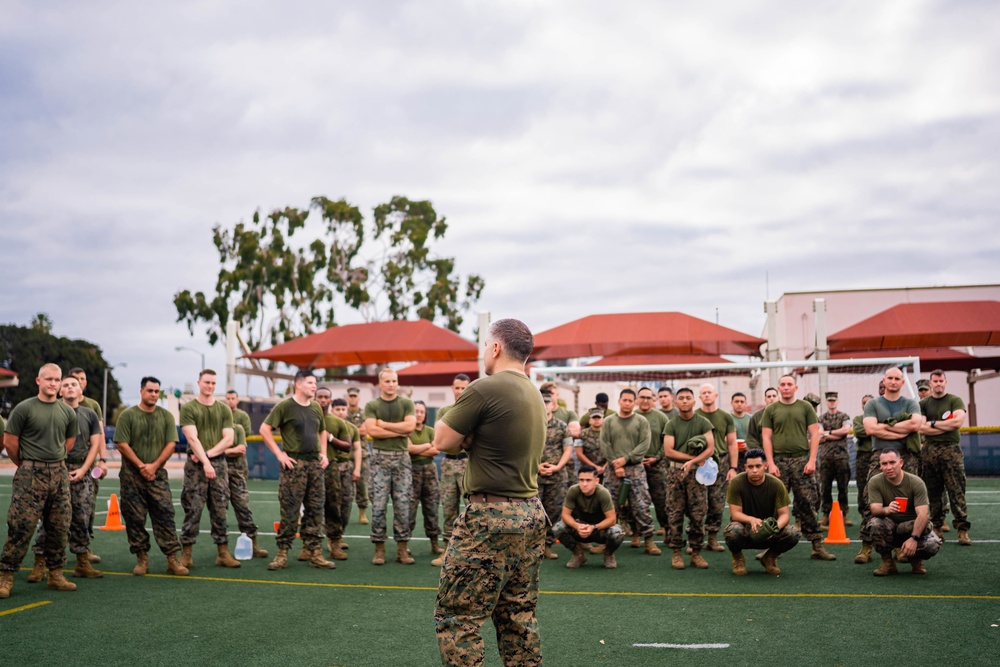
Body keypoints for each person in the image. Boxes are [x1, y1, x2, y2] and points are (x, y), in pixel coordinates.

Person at [432, 318, 547, 667]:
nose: (484, 351)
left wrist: (466, 435)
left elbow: (441, 440)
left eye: (485, 345)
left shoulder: (486, 387)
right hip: (529, 513)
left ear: (495, 348)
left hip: (490, 518)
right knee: (517, 616)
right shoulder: (533, 392)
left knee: (457, 616)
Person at [1, 363, 79, 599]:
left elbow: (70, 441)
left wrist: (53, 461)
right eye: (49, 379)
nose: (53, 384)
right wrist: (26, 465)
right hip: (30, 475)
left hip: (59, 474)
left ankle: (55, 574)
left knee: (59, 527)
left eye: (57, 380)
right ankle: (5, 575)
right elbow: (10, 442)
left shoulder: (67, 411)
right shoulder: (24, 409)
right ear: (38, 381)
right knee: (21, 526)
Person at [27, 375, 103, 581]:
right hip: (56, 468)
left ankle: (81, 561)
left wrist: (85, 469)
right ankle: (40, 563)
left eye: (74, 385)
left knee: (81, 516)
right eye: (66, 385)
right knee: (49, 518)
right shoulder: (52, 411)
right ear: (60, 391)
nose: (70, 388)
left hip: (81, 469)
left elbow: (95, 444)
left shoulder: (89, 414)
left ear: (81, 390)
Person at [259, 370, 336, 571]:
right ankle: (282, 553)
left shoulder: (317, 407)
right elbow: (264, 429)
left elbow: (322, 430)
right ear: (298, 385)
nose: (314, 386)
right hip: (294, 466)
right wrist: (280, 454)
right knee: (290, 511)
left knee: (315, 510)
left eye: (315, 382)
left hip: (315, 466)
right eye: (310, 382)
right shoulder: (285, 406)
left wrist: (324, 453)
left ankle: (315, 552)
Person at [113, 376, 189, 577]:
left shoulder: (166, 416)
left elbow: (171, 444)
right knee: (134, 517)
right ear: (141, 391)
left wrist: (154, 466)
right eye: (150, 391)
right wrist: (141, 466)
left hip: (157, 476)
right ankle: (141, 558)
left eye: (157, 391)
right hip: (132, 476)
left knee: (165, 515)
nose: (154, 394)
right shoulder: (128, 416)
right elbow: (122, 444)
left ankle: (172, 559)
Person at [761, 374, 836, 561]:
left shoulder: (806, 407)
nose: (786, 387)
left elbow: (814, 435)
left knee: (808, 504)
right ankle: (770, 547)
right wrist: (770, 463)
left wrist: (811, 461)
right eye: (783, 384)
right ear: (778, 387)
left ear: (795, 388)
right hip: (778, 462)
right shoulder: (770, 410)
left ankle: (817, 546)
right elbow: (766, 438)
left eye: (789, 384)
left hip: (801, 461)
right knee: (774, 505)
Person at [178, 369, 240, 569]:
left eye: (213, 383)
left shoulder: (223, 410)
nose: (210, 386)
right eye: (207, 382)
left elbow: (228, 439)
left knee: (220, 508)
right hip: (195, 467)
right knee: (193, 509)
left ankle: (223, 552)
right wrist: (204, 462)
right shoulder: (189, 408)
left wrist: (208, 456)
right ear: (198, 382)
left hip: (218, 464)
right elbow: (192, 438)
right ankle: (186, 553)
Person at [859, 367, 924, 554]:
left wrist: (885, 425)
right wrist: (901, 428)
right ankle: (866, 545)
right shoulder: (872, 404)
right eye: (890, 378)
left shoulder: (911, 403)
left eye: (897, 378)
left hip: (906, 455)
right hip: (879, 454)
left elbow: (916, 424)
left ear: (902, 382)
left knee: (907, 500)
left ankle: (900, 545)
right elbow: (871, 429)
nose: (893, 381)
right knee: (870, 497)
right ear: (884, 381)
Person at [364, 368, 417, 565]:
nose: (391, 384)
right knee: (378, 506)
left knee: (403, 505)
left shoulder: (406, 403)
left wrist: (383, 425)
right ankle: (379, 549)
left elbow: (410, 427)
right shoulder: (372, 405)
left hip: (401, 459)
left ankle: (402, 549)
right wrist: (399, 429)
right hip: (380, 459)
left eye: (394, 381)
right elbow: (371, 430)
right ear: (380, 383)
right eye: (387, 381)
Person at [599, 389, 661, 556]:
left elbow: (644, 445)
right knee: (609, 506)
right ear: (619, 401)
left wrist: (625, 460)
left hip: (635, 469)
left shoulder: (641, 421)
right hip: (613, 471)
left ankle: (648, 540)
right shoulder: (608, 421)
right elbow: (604, 444)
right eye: (624, 400)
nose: (627, 403)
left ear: (634, 402)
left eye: (630, 400)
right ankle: (605, 541)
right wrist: (616, 464)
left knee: (641, 506)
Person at [724, 448, 800, 576]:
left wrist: (774, 528)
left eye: (758, 466)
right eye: (750, 467)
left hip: (769, 530)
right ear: (745, 467)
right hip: (746, 528)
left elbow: (785, 514)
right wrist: (751, 520)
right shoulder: (736, 483)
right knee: (732, 531)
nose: (754, 470)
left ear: (765, 466)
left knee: (793, 533)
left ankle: (769, 557)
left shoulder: (776, 484)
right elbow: (735, 514)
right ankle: (737, 558)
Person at [662, 387, 715, 569]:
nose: (685, 401)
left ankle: (696, 552)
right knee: (675, 513)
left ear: (694, 402)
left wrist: (694, 462)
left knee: (698, 513)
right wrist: (690, 460)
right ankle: (677, 552)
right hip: (676, 473)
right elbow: (668, 451)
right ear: (676, 402)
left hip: (698, 474)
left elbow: (710, 448)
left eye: (688, 398)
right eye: (681, 398)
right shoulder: (671, 424)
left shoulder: (703, 422)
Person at [867, 449, 942, 576]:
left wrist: (913, 539)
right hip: (890, 526)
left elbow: (923, 514)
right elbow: (874, 509)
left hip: (911, 528)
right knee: (875, 524)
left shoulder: (916, 482)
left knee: (932, 544)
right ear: (880, 466)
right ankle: (888, 563)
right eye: (884, 464)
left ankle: (916, 561)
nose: (889, 467)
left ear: (900, 462)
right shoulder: (875, 481)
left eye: (892, 462)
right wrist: (886, 509)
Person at [918, 370, 971, 545]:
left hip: (951, 450)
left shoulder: (955, 400)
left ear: (946, 382)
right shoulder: (924, 403)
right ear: (931, 383)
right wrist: (944, 426)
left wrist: (932, 424)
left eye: (941, 381)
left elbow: (957, 423)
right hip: (930, 450)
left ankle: (962, 530)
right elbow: (921, 428)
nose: (938, 384)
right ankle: (937, 528)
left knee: (956, 490)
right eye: (935, 381)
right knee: (933, 491)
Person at [69, 367, 107, 563]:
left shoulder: (92, 406)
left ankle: (85, 548)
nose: (78, 382)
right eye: (74, 379)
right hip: (63, 466)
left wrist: (103, 459)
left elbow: (99, 434)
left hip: (88, 465)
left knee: (87, 508)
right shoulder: (60, 405)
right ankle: (47, 556)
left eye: (81, 379)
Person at [432, 373, 471, 567]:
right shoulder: (444, 411)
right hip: (448, 464)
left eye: (464, 388)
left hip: (468, 464)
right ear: (452, 388)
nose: (461, 391)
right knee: (448, 508)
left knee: (472, 508)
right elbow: (440, 441)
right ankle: (447, 549)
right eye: (457, 388)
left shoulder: (474, 410)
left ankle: (470, 550)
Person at [552, 465, 624, 569]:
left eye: (588, 480)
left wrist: (594, 528)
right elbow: (565, 515)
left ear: (596, 481)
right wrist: (577, 526)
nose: (584, 484)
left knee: (617, 533)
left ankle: (608, 554)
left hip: (600, 529)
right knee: (557, 528)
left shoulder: (603, 493)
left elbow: (612, 519)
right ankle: (578, 554)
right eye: (581, 480)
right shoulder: (573, 490)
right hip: (580, 527)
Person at [224, 389, 267, 558]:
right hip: (218, 467)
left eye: (232, 398)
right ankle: (222, 549)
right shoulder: (219, 415)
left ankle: (252, 542)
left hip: (237, 467)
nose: (229, 401)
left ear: (237, 399)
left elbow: (242, 444)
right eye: (227, 398)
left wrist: (221, 450)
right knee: (218, 509)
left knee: (242, 505)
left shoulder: (241, 419)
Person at [696, 383, 739, 553]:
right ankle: (697, 540)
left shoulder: (725, 417)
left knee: (717, 502)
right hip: (700, 462)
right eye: (703, 393)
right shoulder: (694, 416)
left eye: (709, 392)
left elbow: (732, 444)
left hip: (720, 464)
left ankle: (712, 538)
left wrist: (733, 467)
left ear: (715, 396)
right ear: (700, 397)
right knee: (697, 503)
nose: (707, 395)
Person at [317, 387, 355, 561]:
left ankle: (335, 543)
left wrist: (331, 438)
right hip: (309, 466)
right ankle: (310, 546)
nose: (323, 400)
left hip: (331, 467)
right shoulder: (306, 417)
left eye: (326, 397)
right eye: (320, 397)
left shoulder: (337, 422)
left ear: (330, 401)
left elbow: (348, 445)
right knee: (311, 508)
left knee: (333, 505)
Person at [538, 391, 574, 559]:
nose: (545, 405)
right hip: (534, 476)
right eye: (542, 401)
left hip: (557, 477)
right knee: (534, 512)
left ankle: (547, 545)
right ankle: (533, 546)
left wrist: (557, 467)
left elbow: (568, 450)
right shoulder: (530, 425)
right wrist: (536, 467)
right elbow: (523, 450)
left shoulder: (562, 426)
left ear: (553, 405)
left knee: (554, 512)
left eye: (548, 402)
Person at [408, 400, 443, 556]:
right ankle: (404, 544)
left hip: (429, 472)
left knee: (432, 509)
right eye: (416, 411)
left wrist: (417, 450)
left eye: (422, 411)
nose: (419, 414)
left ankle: (434, 544)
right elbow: (409, 449)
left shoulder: (430, 430)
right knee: (409, 509)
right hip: (411, 472)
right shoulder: (407, 431)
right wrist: (427, 446)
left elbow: (436, 450)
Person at [330, 398, 362, 557]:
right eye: (338, 409)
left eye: (343, 409)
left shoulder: (351, 428)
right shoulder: (327, 425)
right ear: (332, 410)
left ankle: (339, 536)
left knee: (346, 503)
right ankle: (331, 538)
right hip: (332, 467)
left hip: (347, 468)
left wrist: (357, 468)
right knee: (331, 503)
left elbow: (357, 449)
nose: (341, 412)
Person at [636, 387, 670, 538]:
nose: (645, 400)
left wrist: (657, 457)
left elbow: (668, 441)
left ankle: (665, 527)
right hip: (636, 464)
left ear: (653, 400)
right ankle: (637, 531)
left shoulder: (661, 417)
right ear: (637, 399)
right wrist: (636, 458)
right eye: (642, 397)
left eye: (648, 398)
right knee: (637, 500)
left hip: (657, 464)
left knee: (661, 499)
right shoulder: (632, 416)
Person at [818, 391, 852, 527]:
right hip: (826, 457)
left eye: (834, 400)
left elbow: (846, 430)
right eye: (829, 400)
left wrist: (829, 433)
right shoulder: (821, 418)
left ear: (837, 401)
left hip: (841, 457)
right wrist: (837, 434)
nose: (832, 403)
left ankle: (843, 515)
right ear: (826, 402)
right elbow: (819, 434)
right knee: (825, 488)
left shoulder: (844, 416)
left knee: (843, 487)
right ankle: (826, 514)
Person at [853, 395, 877, 564]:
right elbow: (862, 431)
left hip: (881, 454)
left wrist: (876, 427)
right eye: (864, 403)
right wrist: (876, 428)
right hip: (864, 457)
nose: (867, 405)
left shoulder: (878, 416)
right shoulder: (857, 419)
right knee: (864, 492)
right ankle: (866, 539)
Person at [345, 386, 371, 525]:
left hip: (363, 454)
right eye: (351, 396)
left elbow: (365, 430)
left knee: (362, 486)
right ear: (347, 398)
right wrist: (356, 430)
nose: (353, 398)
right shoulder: (342, 412)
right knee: (345, 487)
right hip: (345, 454)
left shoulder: (364, 413)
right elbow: (343, 431)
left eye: (355, 396)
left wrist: (349, 429)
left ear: (359, 398)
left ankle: (362, 512)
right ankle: (345, 513)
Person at [731, 392, 751, 469]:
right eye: (736, 401)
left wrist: (748, 446)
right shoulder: (728, 419)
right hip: (732, 458)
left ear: (746, 403)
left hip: (749, 456)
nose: (739, 404)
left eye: (742, 402)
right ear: (731, 403)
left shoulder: (751, 419)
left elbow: (756, 438)